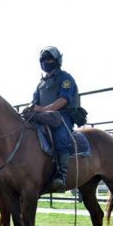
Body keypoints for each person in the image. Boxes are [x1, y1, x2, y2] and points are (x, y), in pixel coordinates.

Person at [32, 46, 79, 192]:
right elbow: (34, 102)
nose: (47, 62)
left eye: (50, 59)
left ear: (57, 61)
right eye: (44, 60)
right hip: (42, 117)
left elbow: (63, 100)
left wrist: (43, 109)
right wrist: (30, 109)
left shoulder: (65, 78)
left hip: (62, 116)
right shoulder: (40, 83)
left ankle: (61, 175)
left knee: (60, 136)